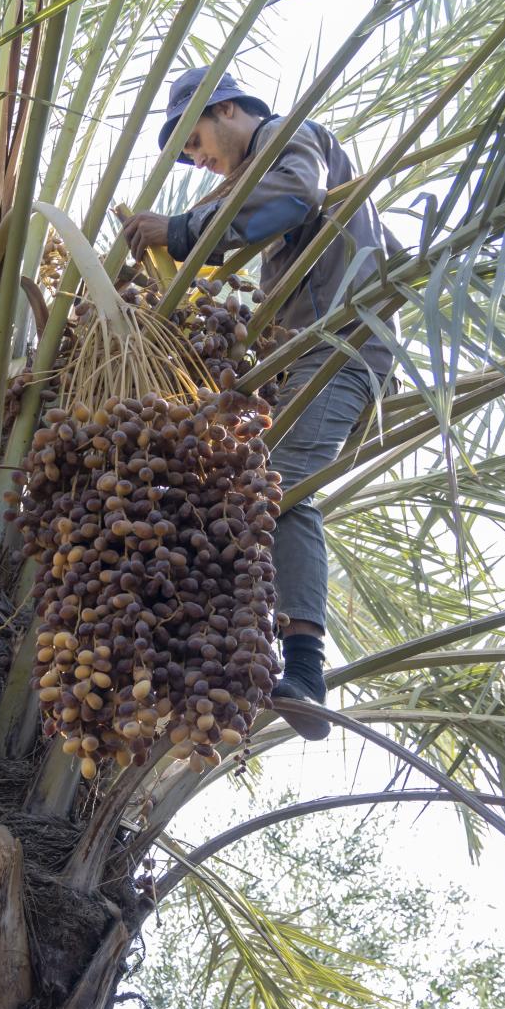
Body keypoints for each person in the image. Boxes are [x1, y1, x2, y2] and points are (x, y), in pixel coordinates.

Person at [121, 68, 402, 740]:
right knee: (233, 497)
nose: (196, 159)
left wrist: (180, 231)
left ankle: (305, 668)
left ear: (227, 109)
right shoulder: (279, 180)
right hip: (316, 354)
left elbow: (293, 197)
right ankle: (217, 646)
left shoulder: (287, 135)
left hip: (340, 350)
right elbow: (379, 253)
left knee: (281, 488)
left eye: (193, 141)